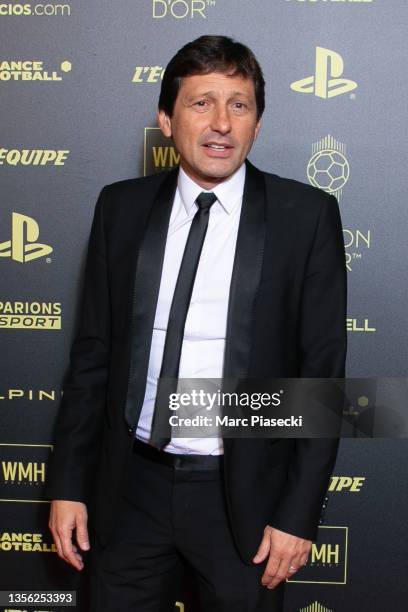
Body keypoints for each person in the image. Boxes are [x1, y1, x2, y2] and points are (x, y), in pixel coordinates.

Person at [45, 35, 347, 611]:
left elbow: (321, 377)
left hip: (243, 501)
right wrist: (67, 484)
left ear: (257, 123)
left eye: (240, 104)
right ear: (166, 118)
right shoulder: (120, 208)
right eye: (201, 102)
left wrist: (298, 514)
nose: (222, 123)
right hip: (127, 487)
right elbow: (92, 357)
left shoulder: (305, 216)